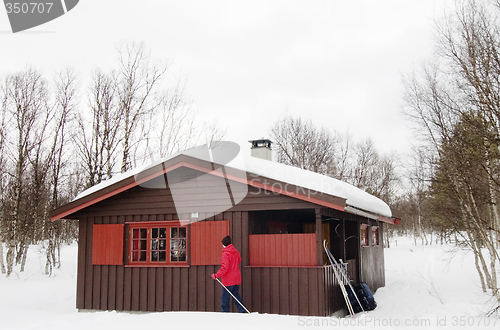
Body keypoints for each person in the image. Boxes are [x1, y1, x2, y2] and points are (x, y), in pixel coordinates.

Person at [211, 235, 246, 313]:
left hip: (228, 280)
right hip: (237, 278)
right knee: (235, 295)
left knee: (225, 297)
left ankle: (225, 313)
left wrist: (216, 275)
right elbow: (239, 260)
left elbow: (225, 268)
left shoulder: (226, 254)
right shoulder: (235, 251)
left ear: (224, 244)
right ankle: (242, 309)